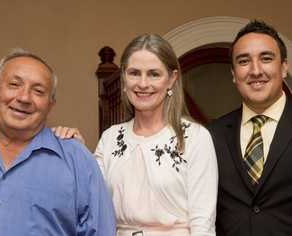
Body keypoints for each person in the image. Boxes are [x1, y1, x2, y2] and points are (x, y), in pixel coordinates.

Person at [55, 34, 218, 236]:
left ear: (172, 79)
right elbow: (89, 202)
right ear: (124, 77)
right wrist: (77, 152)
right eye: (134, 73)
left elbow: (203, 223)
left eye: (153, 74)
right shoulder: (110, 138)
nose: (142, 83)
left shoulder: (195, 137)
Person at [0, 49, 116, 236]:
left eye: (38, 91)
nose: (24, 98)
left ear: (50, 106)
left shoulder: (77, 160)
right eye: (14, 84)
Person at [208, 20, 292, 236]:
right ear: (234, 74)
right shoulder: (212, 135)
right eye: (244, 61)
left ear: (284, 67)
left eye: (266, 58)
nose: (255, 70)